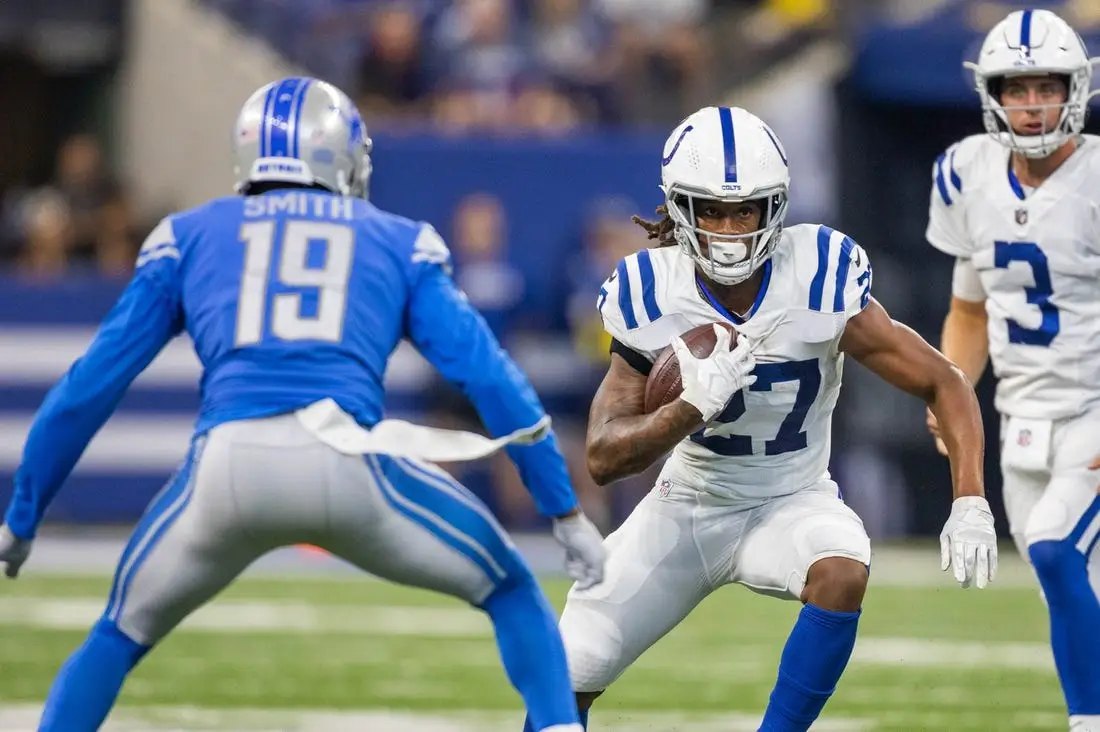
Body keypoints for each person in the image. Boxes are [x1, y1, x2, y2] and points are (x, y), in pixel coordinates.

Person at [0, 76, 604, 732]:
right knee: (513, 589)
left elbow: (87, 388)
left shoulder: (190, 235)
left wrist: (22, 515)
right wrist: (562, 507)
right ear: (340, 155)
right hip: (348, 462)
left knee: (117, 634)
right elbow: (490, 378)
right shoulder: (397, 239)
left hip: (226, 472)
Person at [523, 105, 998, 732]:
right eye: (711, 211)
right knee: (567, 677)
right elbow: (604, 458)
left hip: (791, 498)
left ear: (774, 208)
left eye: (743, 210)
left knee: (841, 567)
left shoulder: (817, 275)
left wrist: (969, 500)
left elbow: (944, 380)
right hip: (688, 504)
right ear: (679, 210)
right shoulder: (652, 290)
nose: (727, 230)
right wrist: (686, 410)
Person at [925, 9, 1100, 730]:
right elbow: (970, 310)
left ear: (1075, 90)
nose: (1032, 105)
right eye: (1016, 89)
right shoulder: (965, 172)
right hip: (1021, 422)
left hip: (1093, 411)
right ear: (990, 93)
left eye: (1046, 88)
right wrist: (951, 389)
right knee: (1070, 593)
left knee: (1059, 552)